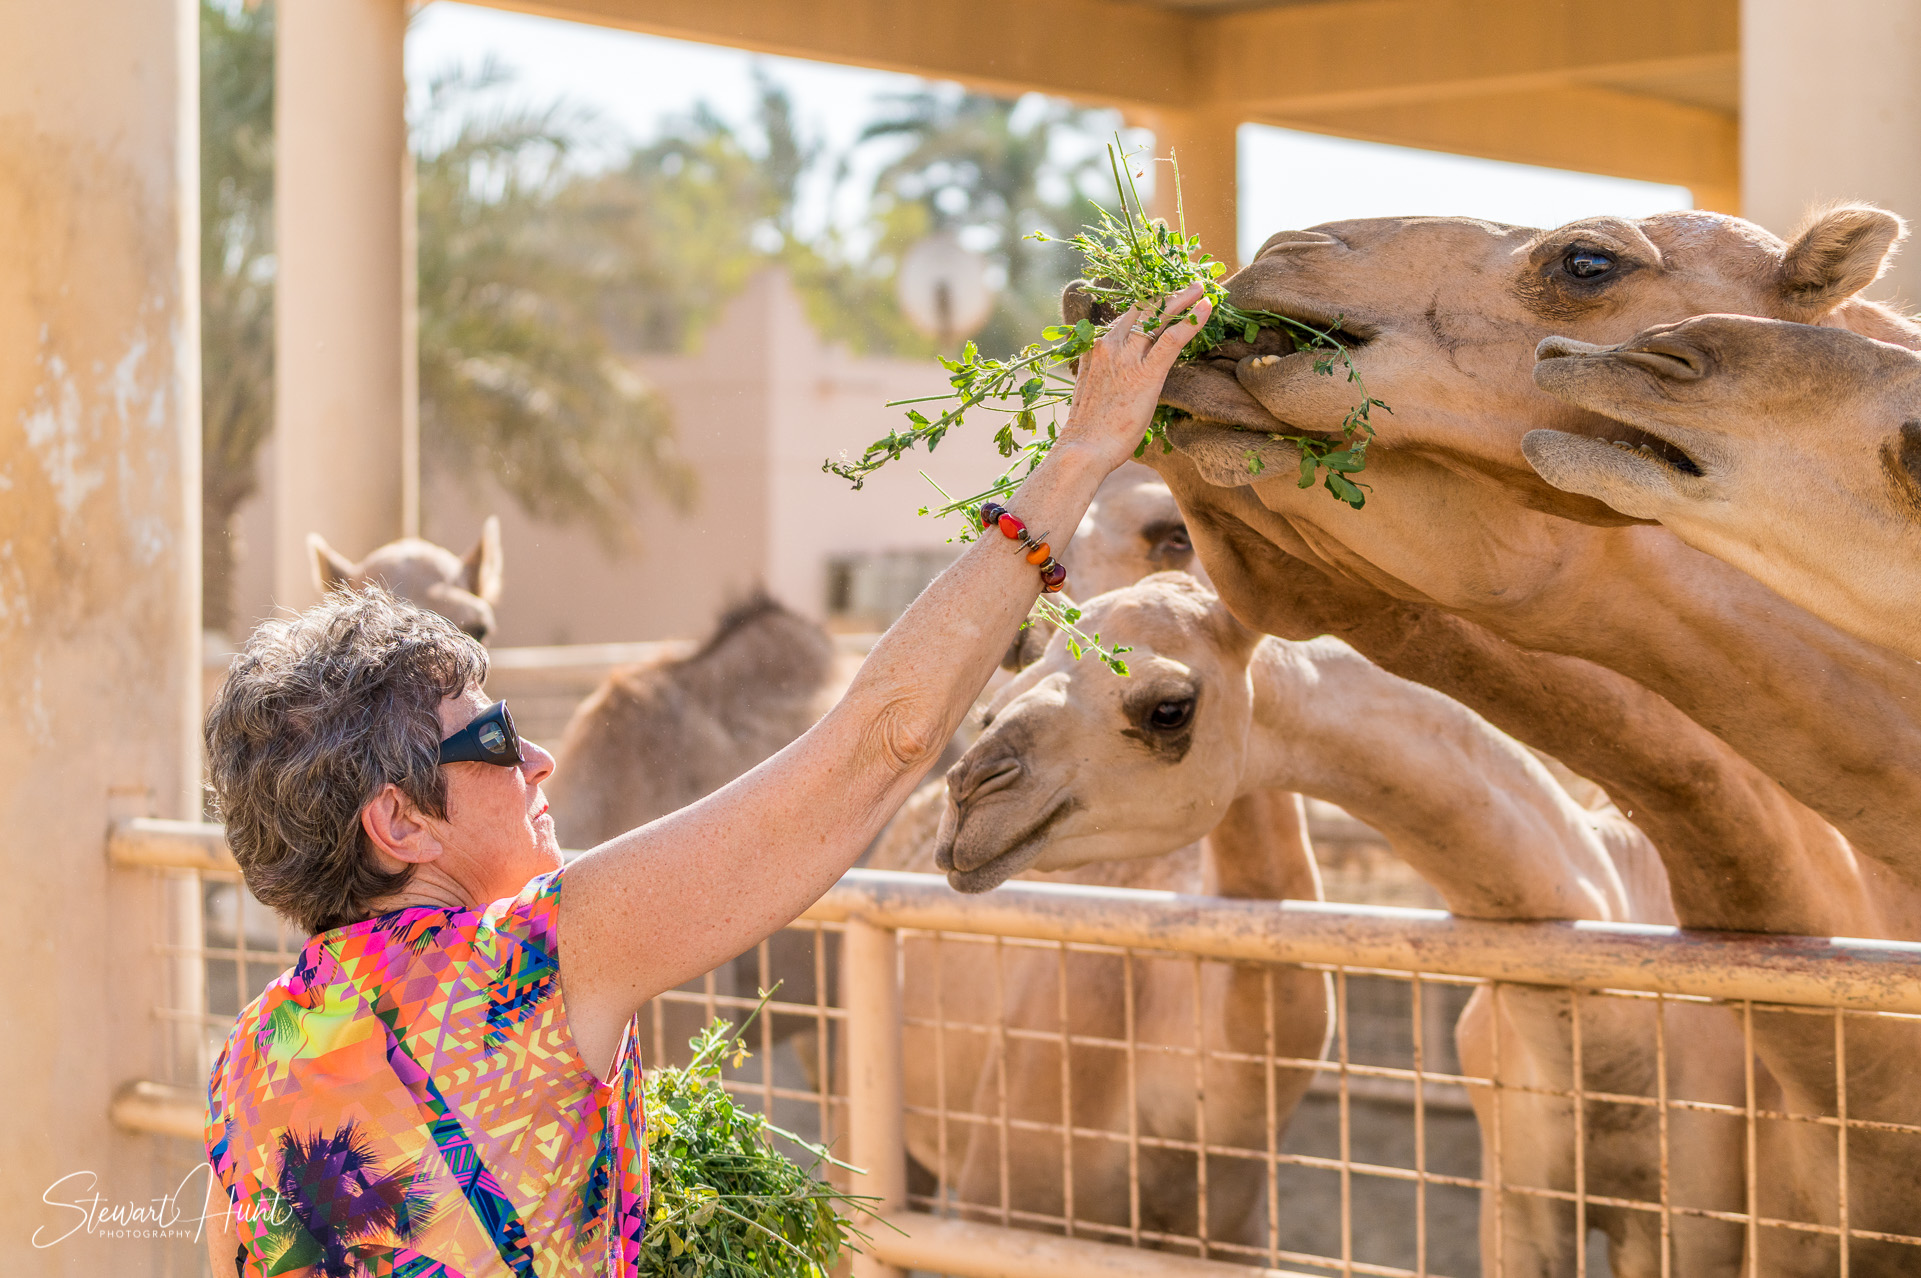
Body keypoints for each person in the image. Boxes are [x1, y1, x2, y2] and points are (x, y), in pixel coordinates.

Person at [199, 283, 1214, 1278]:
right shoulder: (535, 967)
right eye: (496, 739)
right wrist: (1081, 451)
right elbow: (878, 742)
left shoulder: (249, 1059)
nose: (539, 758)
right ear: (399, 822)